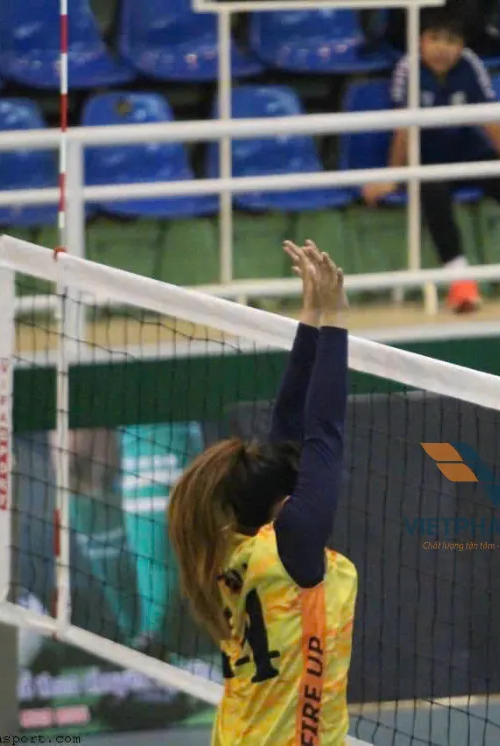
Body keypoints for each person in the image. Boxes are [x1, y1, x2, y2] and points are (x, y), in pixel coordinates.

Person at [168, 240, 356, 745]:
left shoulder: (235, 547)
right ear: (283, 503)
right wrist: (336, 318)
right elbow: (324, 430)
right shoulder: (292, 547)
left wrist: (313, 315)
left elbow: (289, 427)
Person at [361, 8, 500, 314]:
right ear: (421, 41)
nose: (442, 48)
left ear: (462, 45)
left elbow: (491, 120)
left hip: (468, 153)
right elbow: (403, 128)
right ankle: (460, 280)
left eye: (451, 41)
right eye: (435, 39)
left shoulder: (470, 64)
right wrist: (394, 177)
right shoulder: (408, 68)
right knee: (432, 189)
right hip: (428, 159)